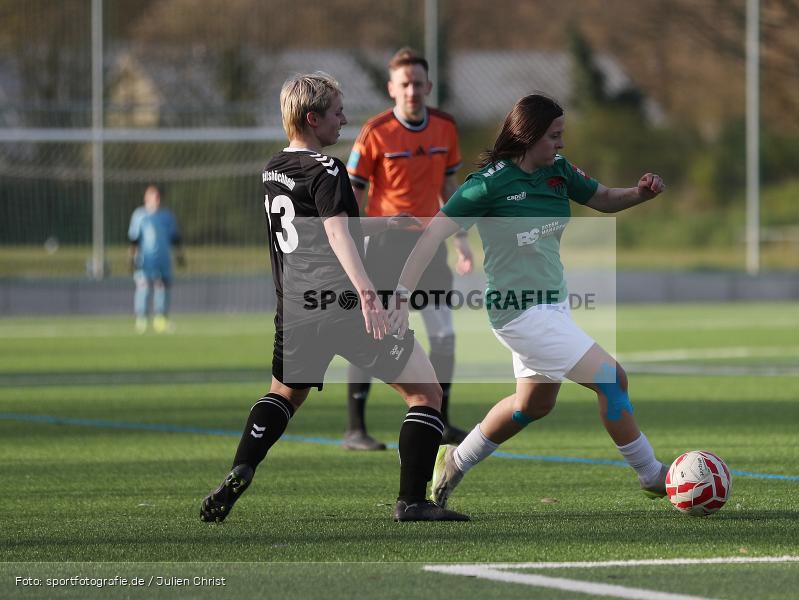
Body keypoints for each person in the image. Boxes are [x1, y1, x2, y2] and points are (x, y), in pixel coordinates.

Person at [199, 72, 469, 523]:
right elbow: (336, 233)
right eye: (337, 113)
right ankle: (412, 502)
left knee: (284, 395)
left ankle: (242, 467)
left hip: (295, 311)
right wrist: (368, 295)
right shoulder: (330, 170)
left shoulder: (273, 169)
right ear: (312, 118)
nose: (344, 120)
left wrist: (386, 224)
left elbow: (319, 227)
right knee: (426, 392)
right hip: (343, 305)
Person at [389, 93, 670, 511]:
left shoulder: (559, 173)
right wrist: (399, 294)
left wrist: (639, 194)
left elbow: (604, 197)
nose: (561, 144)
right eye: (554, 136)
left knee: (533, 404)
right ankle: (651, 474)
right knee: (612, 380)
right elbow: (432, 235)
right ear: (528, 135)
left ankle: (455, 458)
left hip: (554, 306)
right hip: (518, 312)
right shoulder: (486, 184)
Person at [343, 47, 474, 451]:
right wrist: (351, 241)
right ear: (391, 89)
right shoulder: (375, 131)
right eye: (404, 84)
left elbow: (448, 189)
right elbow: (352, 193)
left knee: (444, 335)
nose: (412, 91)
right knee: (372, 333)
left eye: (418, 83)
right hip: (383, 247)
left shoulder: (446, 128)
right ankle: (356, 429)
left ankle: (441, 420)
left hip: (430, 245)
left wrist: (462, 240)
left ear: (428, 86)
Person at [128, 184, 185, 334]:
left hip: (164, 258)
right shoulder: (140, 215)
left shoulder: (167, 216)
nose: (157, 199)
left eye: (158, 196)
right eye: (154, 196)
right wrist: (131, 258)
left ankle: (161, 319)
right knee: (144, 287)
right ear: (147, 198)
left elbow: (175, 238)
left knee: (163, 287)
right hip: (145, 259)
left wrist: (179, 256)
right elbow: (134, 238)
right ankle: (142, 319)